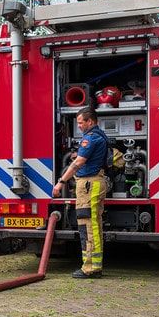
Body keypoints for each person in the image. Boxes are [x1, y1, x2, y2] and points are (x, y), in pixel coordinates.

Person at [52, 107, 108, 279]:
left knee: (87, 227)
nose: (79, 126)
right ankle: (94, 266)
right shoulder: (99, 136)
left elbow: (78, 163)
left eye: (81, 122)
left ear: (90, 121)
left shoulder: (90, 138)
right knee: (93, 226)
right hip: (94, 183)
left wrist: (60, 182)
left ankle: (90, 268)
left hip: (89, 185)